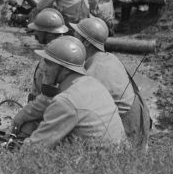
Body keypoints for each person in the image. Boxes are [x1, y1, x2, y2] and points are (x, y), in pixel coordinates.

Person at [10, 36, 126, 149]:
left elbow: (34, 148)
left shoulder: (65, 102)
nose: (43, 68)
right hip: (116, 158)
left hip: (95, 164)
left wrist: (8, 149)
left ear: (65, 70)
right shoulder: (92, 83)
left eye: (49, 63)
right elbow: (46, 102)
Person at [71, 17, 151, 148]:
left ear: (85, 42)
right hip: (140, 125)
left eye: (76, 37)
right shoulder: (109, 58)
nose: (73, 42)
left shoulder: (94, 71)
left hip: (127, 133)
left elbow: (73, 109)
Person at [26, 9, 68, 102]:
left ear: (48, 34)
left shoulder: (56, 57)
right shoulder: (55, 50)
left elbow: (48, 96)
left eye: (38, 31)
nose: (35, 33)